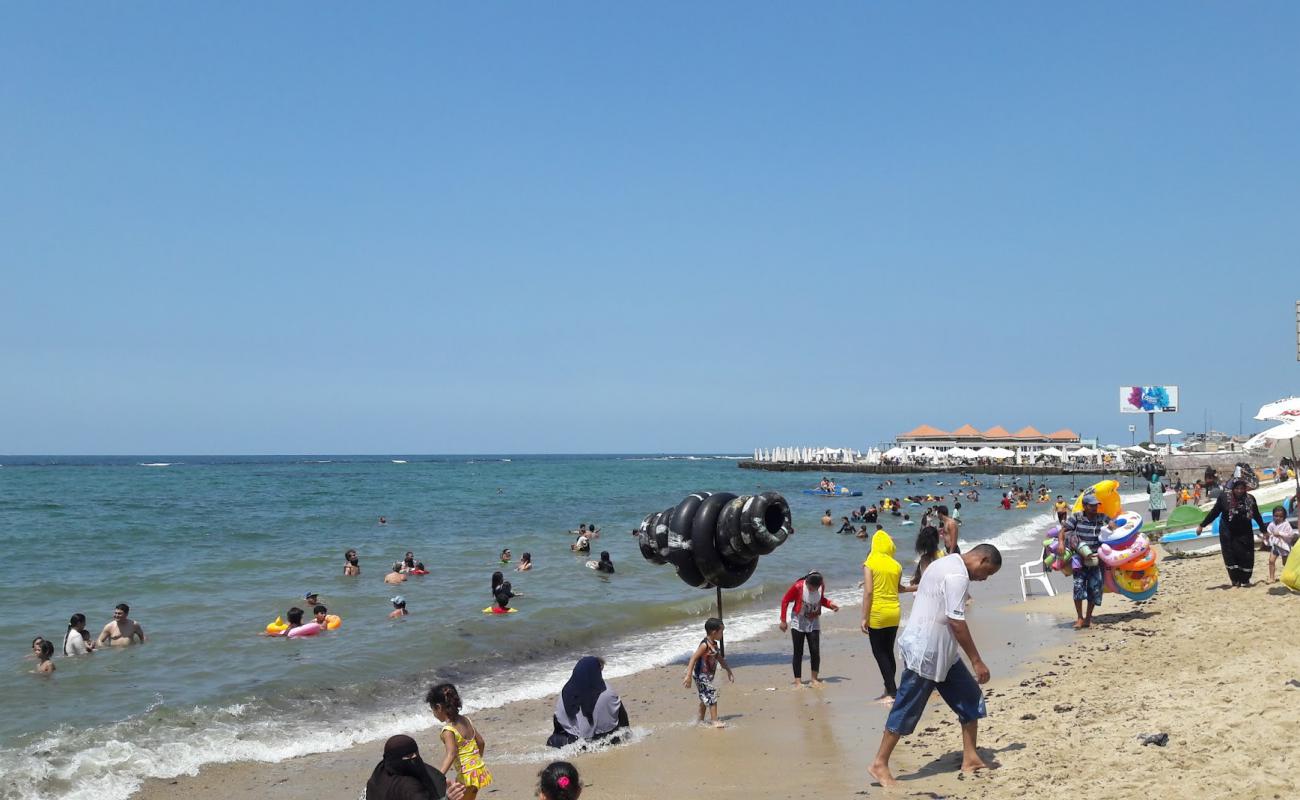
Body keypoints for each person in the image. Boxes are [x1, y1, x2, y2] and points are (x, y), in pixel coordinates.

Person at [867, 544, 1003, 787]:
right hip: (927, 652)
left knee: (970, 697)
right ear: (982, 559)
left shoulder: (943, 562)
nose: (985, 579)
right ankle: (879, 763)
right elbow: (956, 622)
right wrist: (976, 660)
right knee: (907, 707)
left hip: (944, 653)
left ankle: (970, 757)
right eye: (988, 573)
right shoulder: (957, 575)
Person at [862, 529, 916, 704]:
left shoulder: (869, 563)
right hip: (894, 612)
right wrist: (917, 587)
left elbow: (869, 592)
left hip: (878, 613)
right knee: (888, 651)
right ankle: (889, 689)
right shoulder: (896, 565)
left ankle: (892, 691)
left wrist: (864, 617)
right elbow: (899, 589)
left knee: (879, 652)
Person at [1058, 492, 1115, 629]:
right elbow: (1063, 530)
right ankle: (1079, 618)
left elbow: (1113, 524)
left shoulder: (1101, 518)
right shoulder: (1077, 517)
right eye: (1092, 506)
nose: (1095, 508)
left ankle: (1088, 618)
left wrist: (1112, 525)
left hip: (1096, 560)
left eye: (1096, 505)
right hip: (1079, 560)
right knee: (1078, 587)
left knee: (1094, 589)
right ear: (1084, 506)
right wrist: (1061, 543)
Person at [426, 683, 492, 799]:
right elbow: (481, 742)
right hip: (478, 771)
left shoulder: (448, 730)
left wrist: (439, 776)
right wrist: (476, 762)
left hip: (465, 775)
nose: (434, 714)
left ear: (439, 708)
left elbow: (451, 753)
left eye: (433, 709)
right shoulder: (466, 720)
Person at [547, 656, 630, 747]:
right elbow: (623, 720)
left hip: (576, 742)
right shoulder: (608, 692)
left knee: (552, 740)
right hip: (607, 739)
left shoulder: (565, 692)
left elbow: (558, 722)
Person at [1198, 479, 1266, 587]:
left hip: (1244, 531)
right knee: (1230, 554)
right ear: (1233, 489)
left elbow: (1257, 515)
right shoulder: (1224, 498)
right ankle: (1235, 580)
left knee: (1246, 554)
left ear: (1245, 489)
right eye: (1237, 489)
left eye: (1242, 489)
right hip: (1227, 531)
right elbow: (1214, 512)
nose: (1239, 491)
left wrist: (1264, 530)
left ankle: (1245, 579)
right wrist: (1202, 525)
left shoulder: (1250, 499)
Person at [778, 571, 839, 688]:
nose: (812, 590)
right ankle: (798, 681)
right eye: (810, 588)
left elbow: (820, 600)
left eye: (814, 588)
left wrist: (830, 605)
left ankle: (814, 679)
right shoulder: (798, 586)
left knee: (815, 651)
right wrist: (783, 620)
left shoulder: (821, 586)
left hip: (813, 622)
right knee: (798, 652)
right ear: (807, 582)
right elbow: (785, 600)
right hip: (798, 622)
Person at [364, 733, 467, 800]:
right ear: (393, 759)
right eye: (408, 756)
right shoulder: (410, 787)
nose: (414, 758)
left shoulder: (378, 773)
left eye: (415, 754)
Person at [683, 617, 733, 727]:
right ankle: (714, 720)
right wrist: (688, 675)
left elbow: (720, 658)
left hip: (708, 676)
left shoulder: (714, 644)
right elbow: (693, 658)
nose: (722, 635)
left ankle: (699, 720)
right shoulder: (705, 645)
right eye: (721, 632)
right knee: (711, 693)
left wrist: (729, 671)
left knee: (705, 697)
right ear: (714, 632)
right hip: (700, 675)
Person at [1264, 506, 1296, 583]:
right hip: (1275, 545)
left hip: (1284, 546)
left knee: (1285, 563)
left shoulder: (1286, 524)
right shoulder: (1271, 524)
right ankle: (1272, 578)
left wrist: (1280, 533)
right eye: (1276, 516)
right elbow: (1268, 532)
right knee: (1271, 561)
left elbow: (1290, 535)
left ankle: (1290, 576)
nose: (1278, 518)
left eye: (1280, 516)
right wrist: (1267, 537)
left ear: (1284, 516)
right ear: (1273, 515)